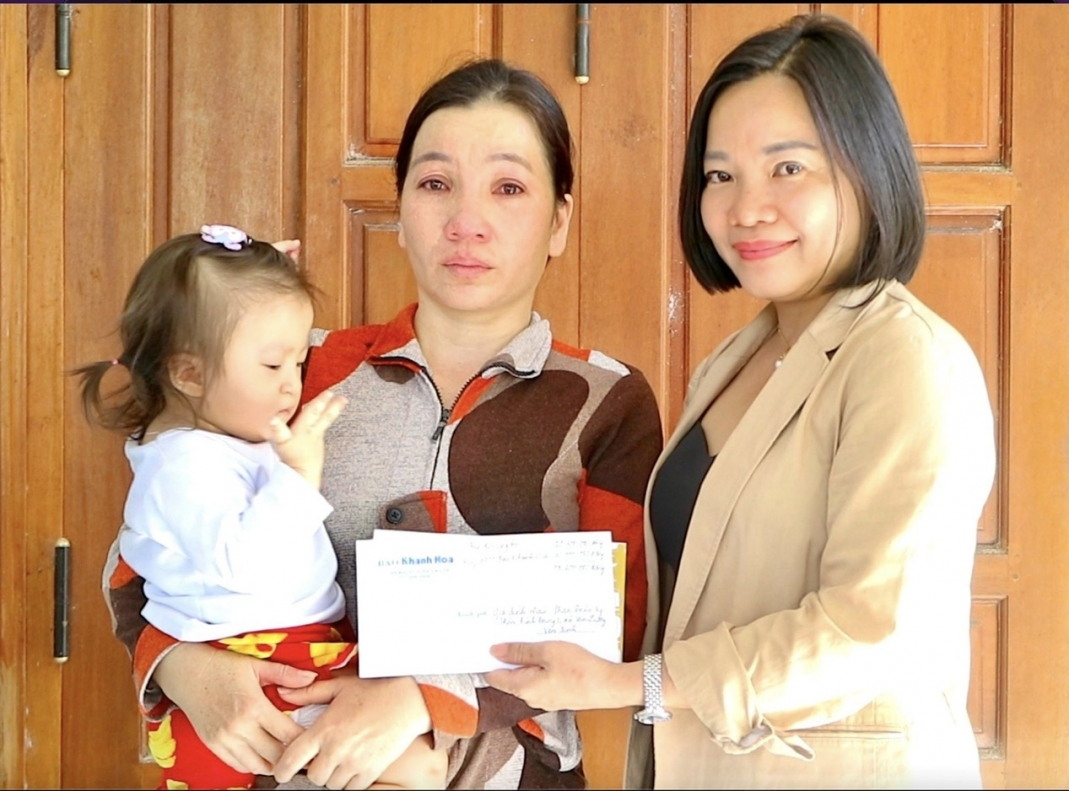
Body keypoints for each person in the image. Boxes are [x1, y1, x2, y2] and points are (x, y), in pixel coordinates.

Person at [102, 60, 664, 790]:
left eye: (509, 187)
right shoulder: (299, 371)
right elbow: (146, 552)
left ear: (559, 220)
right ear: (398, 209)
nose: (467, 221)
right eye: (435, 184)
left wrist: (422, 696)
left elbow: (614, 627)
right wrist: (182, 669)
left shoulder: (606, 399)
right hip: (286, 766)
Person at [483, 13, 996, 790]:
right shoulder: (738, 356)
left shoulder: (906, 359)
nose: (745, 207)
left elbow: (864, 631)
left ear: (867, 167)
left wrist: (632, 683)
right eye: (721, 175)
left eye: (787, 168)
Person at [83, 225, 448, 790]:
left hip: (293, 649)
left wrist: (256, 290)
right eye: (273, 365)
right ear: (189, 373)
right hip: (258, 660)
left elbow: (226, 325)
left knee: (415, 766)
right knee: (418, 769)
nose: (292, 385)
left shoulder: (222, 436)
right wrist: (299, 475)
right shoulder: (181, 466)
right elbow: (242, 567)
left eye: (300, 362)